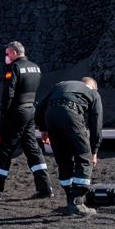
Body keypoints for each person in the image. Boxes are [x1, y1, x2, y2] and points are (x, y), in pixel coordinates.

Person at [0, 41, 52, 200]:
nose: (6, 57)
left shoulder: (14, 68)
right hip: (30, 110)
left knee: (4, 150)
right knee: (32, 148)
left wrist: (4, 113)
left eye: (7, 54)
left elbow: (9, 93)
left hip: (16, 112)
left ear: (13, 52)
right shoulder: (35, 67)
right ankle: (45, 186)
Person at [36, 77, 103, 216]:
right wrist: (94, 151)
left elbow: (40, 107)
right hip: (70, 113)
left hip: (51, 115)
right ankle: (77, 202)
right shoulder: (93, 93)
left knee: (64, 159)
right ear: (93, 87)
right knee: (84, 159)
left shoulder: (61, 84)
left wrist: (43, 130)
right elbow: (96, 123)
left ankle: (70, 198)